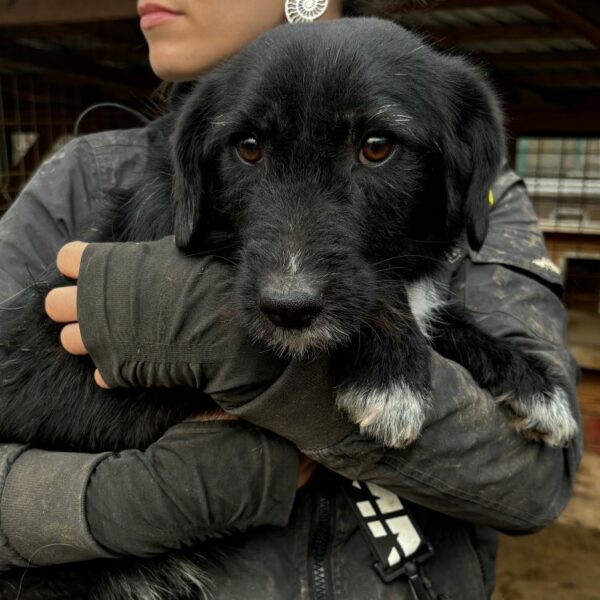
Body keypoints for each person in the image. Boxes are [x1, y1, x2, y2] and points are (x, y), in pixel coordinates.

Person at [0, 1, 582, 598]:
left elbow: (537, 480)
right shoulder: (82, 177)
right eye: (248, 151)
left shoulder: (461, 169)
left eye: (376, 147)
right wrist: (142, 499)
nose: (289, 283)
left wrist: (243, 353)